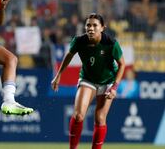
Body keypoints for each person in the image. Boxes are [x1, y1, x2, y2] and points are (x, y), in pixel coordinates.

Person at [51, 13, 125, 149]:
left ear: (102, 28)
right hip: (88, 79)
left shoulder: (111, 43)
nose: (91, 28)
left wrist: (114, 87)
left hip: (107, 82)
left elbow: (122, 64)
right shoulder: (79, 41)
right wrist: (58, 75)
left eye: (95, 25)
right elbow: (69, 55)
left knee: (100, 118)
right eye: (88, 25)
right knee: (78, 115)